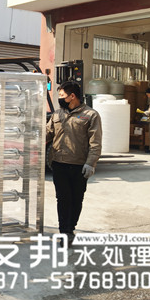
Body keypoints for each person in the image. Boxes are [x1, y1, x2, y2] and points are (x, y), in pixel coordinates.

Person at [46, 81, 102, 246]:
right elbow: (47, 133)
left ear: (72, 96)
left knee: (76, 200)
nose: (60, 98)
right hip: (59, 163)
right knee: (62, 199)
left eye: (62, 95)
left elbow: (95, 143)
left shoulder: (90, 115)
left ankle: (71, 227)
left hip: (79, 166)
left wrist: (91, 163)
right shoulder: (57, 114)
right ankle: (65, 232)